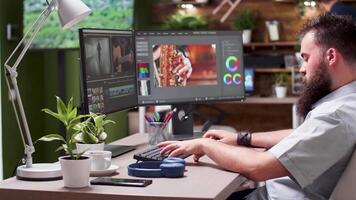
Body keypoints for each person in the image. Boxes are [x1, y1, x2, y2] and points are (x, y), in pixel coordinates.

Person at [158, 14, 356, 200]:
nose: (302, 69)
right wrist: (242, 138)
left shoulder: (335, 116)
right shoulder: (346, 104)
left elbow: (258, 167)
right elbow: (304, 134)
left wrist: (204, 144)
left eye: (305, 58)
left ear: (330, 56)